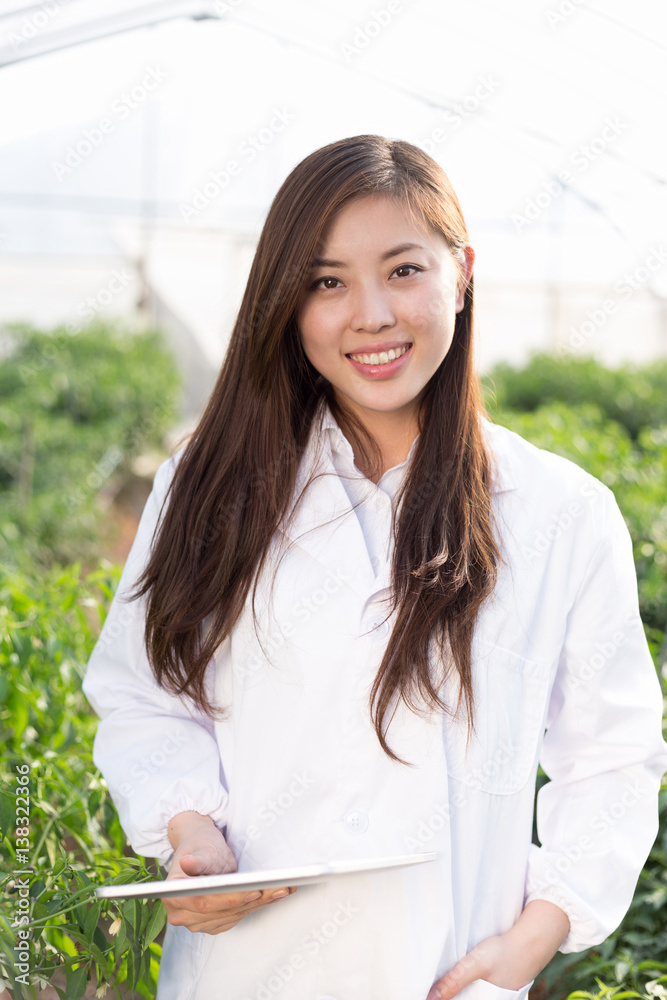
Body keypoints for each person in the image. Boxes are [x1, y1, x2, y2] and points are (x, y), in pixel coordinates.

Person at [82, 134, 667, 1000]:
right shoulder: (210, 485)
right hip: (251, 970)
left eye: (402, 270)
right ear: (287, 302)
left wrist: (535, 937)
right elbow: (145, 693)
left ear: (461, 273)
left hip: (444, 970)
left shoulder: (558, 512)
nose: (370, 314)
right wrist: (189, 831)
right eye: (326, 282)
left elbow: (612, 753)